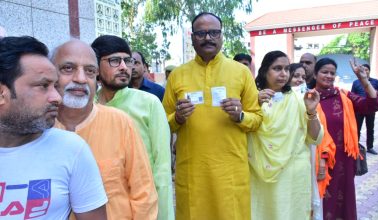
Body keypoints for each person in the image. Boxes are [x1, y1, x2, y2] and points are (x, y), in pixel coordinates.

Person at [163, 12, 262, 220]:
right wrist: (178, 118)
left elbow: (256, 119)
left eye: (214, 32)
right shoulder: (178, 75)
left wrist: (240, 116)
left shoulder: (241, 72)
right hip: (192, 173)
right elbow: (164, 124)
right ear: (192, 37)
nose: (208, 38)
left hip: (230, 173)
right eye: (201, 33)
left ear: (221, 36)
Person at [0, 36, 107, 219]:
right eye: (43, 86)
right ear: (2, 94)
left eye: (55, 85)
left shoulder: (71, 149)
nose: (57, 97)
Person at [52, 40, 158, 220]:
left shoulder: (120, 122)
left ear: (97, 78)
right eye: (68, 68)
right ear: (50, 75)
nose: (80, 78)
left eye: (90, 71)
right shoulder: (37, 130)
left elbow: (144, 194)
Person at [91, 35, 174, 220]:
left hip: (142, 207)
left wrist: (163, 215)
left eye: (127, 61)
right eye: (114, 60)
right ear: (95, 66)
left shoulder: (149, 103)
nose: (123, 67)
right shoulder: (89, 107)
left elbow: (162, 168)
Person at [249, 50, 323, 220]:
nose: (283, 74)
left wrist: (311, 112)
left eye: (286, 69)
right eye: (277, 68)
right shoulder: (252, 98)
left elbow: (315, 138)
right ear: (264, 71)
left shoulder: (298, 98)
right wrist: (255, 102)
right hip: (258, 173)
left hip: (292, 174)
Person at [314, 58, 378, 220]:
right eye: (324, 72)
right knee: (319, 200)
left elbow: (374, 105)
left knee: (343, 200)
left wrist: (363, 79)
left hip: (344, 159)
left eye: (332, 73)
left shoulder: (344, 95)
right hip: (317, 160)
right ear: (315, 74)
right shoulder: (308, 97)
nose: (329, 76)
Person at [289, 62, 323, 220]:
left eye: (303, 77)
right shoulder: (270, 101)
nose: (300, 80)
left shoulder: (309, 102)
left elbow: (316, 137)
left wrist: (311, 111)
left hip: (301, 164)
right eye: (296, 76)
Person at [351, 64, 378, 155]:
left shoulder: (375, 82)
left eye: (366, 70)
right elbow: (352, 95)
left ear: (369, 71)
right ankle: (356, 146)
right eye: (363, 69)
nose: (365, 71)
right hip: (359, 109)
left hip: (370, 109)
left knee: (370, 128)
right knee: (357, 128)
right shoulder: (356, 82)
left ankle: (370, 147)